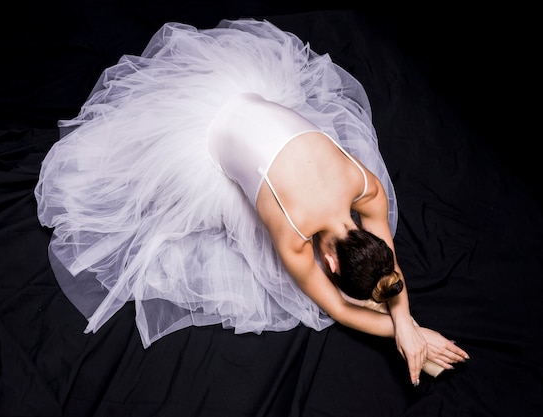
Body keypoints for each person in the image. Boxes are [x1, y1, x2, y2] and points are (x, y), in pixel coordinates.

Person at [35, 18, 469, 386]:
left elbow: (386, 265)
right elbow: (336, 306)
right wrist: (406, 331)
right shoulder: (296, 234)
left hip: (246, 91)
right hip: (202, 135)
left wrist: (407, 326)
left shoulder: (364, 186)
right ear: (332, 265)